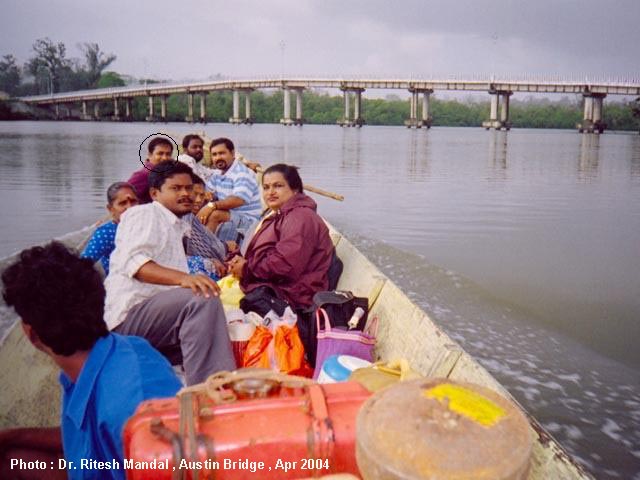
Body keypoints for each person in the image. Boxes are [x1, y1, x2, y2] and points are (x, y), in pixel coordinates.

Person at [0, 242, 181, 480]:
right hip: (99, 465)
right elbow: (85, 437)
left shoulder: (129, 411)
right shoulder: (128, 349)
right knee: (15, 460)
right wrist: (13, 436)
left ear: (31, 334)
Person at [105, 160, 235, 385]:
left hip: (157, 318)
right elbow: (136, 264)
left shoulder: (177, 225)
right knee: (202, 297)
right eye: (176, 189)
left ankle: (203, 378)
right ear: (155, 193)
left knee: (224, 323)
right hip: (128, 319)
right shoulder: (144, 214)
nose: (186, 194)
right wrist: (185, 279)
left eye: (189, 188)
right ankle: (209, 388)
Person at [227, 163, 333, 311]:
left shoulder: (300, 217)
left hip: (290, 295)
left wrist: (246, 268)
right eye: (266, 187)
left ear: (295, 189)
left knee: (211, 305)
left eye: (278, 186)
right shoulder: (280, 214)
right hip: (268, 283)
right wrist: (239, 260)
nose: (270, 192)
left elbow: (286, 265)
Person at [197, 138, 262, 242]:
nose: (218, 158)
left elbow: (238, 199)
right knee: (197, 208)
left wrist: (212, 205)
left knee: (215, 214)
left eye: (222, 153)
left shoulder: (242, 173)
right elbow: (209, 193)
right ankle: (197, 243)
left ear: (232, 153)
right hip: (231, 215)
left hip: (249, 220)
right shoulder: (218, 173)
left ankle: (206, 250)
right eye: (214, 154)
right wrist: (208, 196)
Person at [81, 182, 139, 275]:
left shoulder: (146, 226)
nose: (129, 207)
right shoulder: (106, 233)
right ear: (110, 209)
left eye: (133, 201)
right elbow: (82, 265)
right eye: (122, 203)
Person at [186, 174, 228, 280]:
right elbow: (203, 250)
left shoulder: (192, 217)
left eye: (202, 195)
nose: (199, 200)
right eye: (195, 194)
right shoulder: (186, 217)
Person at [127, 136, 174, 204]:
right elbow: (124, 195)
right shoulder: (143, 175)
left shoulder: (164, 172)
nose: (164, 158)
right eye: (160, 153)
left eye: (168, 154)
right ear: (150, 155)